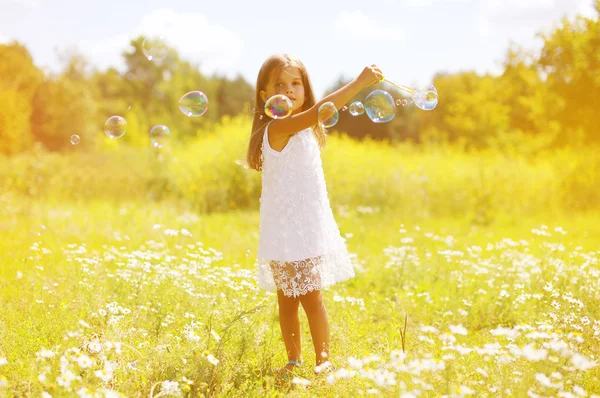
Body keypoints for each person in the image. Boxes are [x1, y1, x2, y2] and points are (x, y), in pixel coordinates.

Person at [245, 53, 383, 378]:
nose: (289, 89)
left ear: (305, 90)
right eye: (280, 84)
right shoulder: (278, 128)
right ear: (265, 97)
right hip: (284, 231)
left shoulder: (306, 130)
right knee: (288, 302)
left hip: (306, 228)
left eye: (296, 84)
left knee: (312, 298)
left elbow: (316, 119)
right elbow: (322, 111)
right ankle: (294, 360)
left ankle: (323, 360)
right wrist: (361, 82)